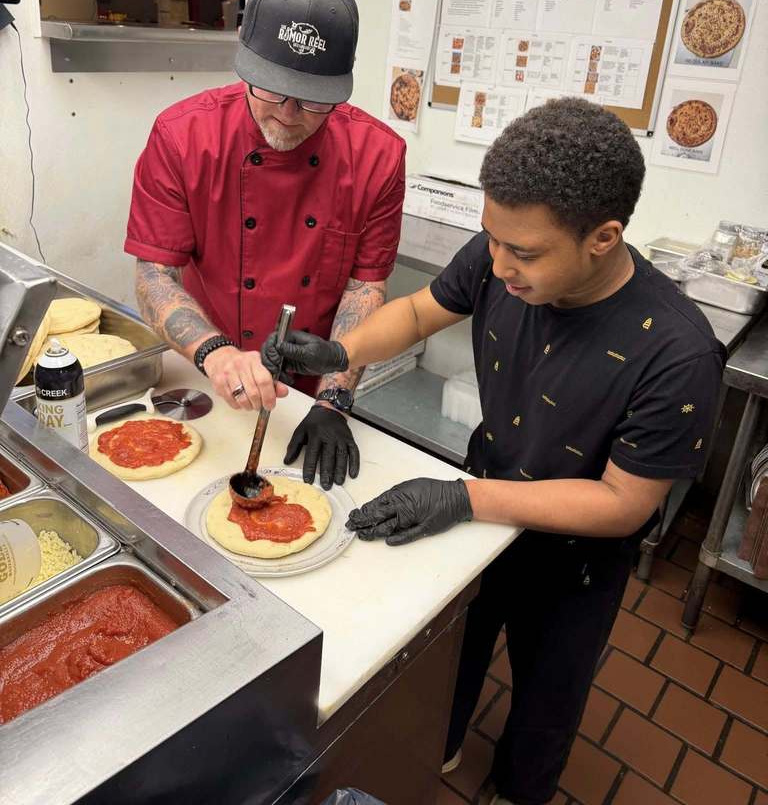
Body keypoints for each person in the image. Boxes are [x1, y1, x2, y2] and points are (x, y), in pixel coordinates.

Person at [262, 98, 725, 805]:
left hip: (574, 557)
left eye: (526, 253)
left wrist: (461, 496)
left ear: (603, 237)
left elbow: (621, 502)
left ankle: (519, 787)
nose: (499, 264)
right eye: (493, 241)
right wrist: (340, 350)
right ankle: (438, 748)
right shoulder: (498, 253)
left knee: (548, 691)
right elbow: (421, 311)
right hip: (483, 505)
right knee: (456, 648)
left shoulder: (676, 353)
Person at [125, 0, 406, 489]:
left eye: (314, 100)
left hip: (311, 385)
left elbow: (364, 288)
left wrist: (334, 398)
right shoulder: (183, 136)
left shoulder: (379, 157)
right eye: (272, 90)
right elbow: (154, 276)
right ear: (243, 55)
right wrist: (216, 354)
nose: (290, 114)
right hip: (207, 370)